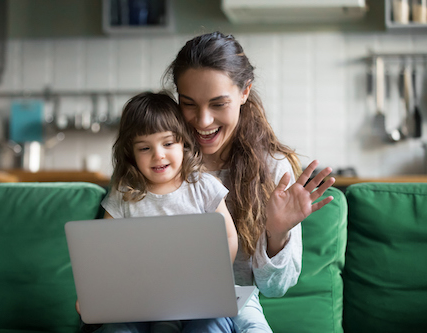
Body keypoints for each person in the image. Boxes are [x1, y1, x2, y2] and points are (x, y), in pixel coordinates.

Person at [162, 31, 336, 332]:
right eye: (189, 103)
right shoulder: (160, 162)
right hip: (163, 307)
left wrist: (277, 233)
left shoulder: (271, 168)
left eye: (218, 104)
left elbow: (275, 289)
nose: (203, 121)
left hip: (232, 311)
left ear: (245, 92)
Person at [82, 91, 242, 333]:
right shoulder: (125, 193)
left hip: (196, 297)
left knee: (212, 326)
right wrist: (96, 294)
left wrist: (214, 277)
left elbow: (229, 236)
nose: (158, 154)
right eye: (145, 148)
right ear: (131, 154)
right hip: (140, 300)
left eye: (168, 143)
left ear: (183, 143)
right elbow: (107, 250)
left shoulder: (202, 186)